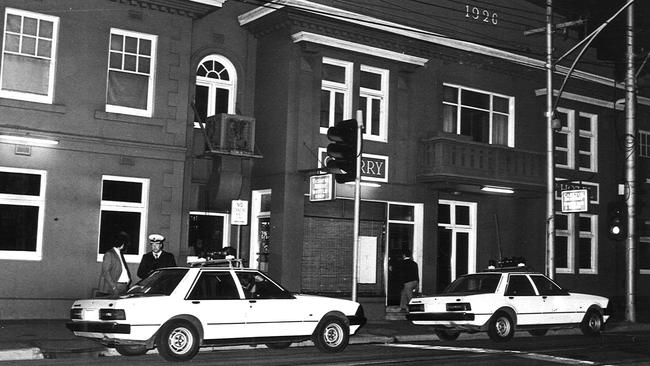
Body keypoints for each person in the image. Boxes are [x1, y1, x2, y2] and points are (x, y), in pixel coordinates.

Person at [98, 232, 132, 298]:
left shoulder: (119, 253)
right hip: (116, 287)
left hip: (123, 286)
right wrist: (113, 287)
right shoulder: (109, 254)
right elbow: (105, 272)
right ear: (122, 243)